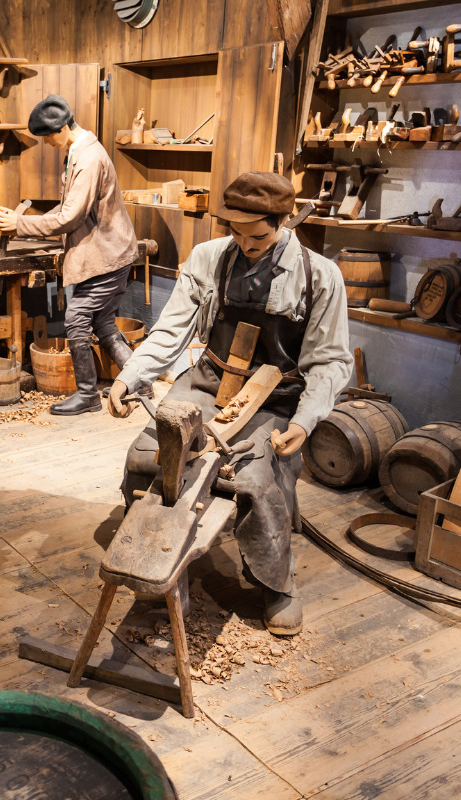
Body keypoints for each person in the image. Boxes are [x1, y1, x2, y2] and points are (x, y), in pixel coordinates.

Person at [107, 171, 353, 636]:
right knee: (146, 457)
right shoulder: (208, 257)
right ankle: (148, 556)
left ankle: (275, 582)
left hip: (276, 394)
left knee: (256, 479)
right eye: (235, 232)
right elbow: (172, 329)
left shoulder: (319, 275)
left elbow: (330, 362)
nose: (245, 243)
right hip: (210, 377)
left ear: (284, 220)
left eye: (257, 234)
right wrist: (130, 376)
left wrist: (303, 421)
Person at [0, 94, 138, 415]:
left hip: (108, 255)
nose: (45, 144)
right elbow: (70, 207)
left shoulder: (88, 159)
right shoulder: (77, 153)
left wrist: (19, 223)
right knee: (104, 324)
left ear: (59, 129)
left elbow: (70, 217)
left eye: (46, 138)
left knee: (76, 319)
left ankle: (88, 395)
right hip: (107, 253)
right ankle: (140, 382)